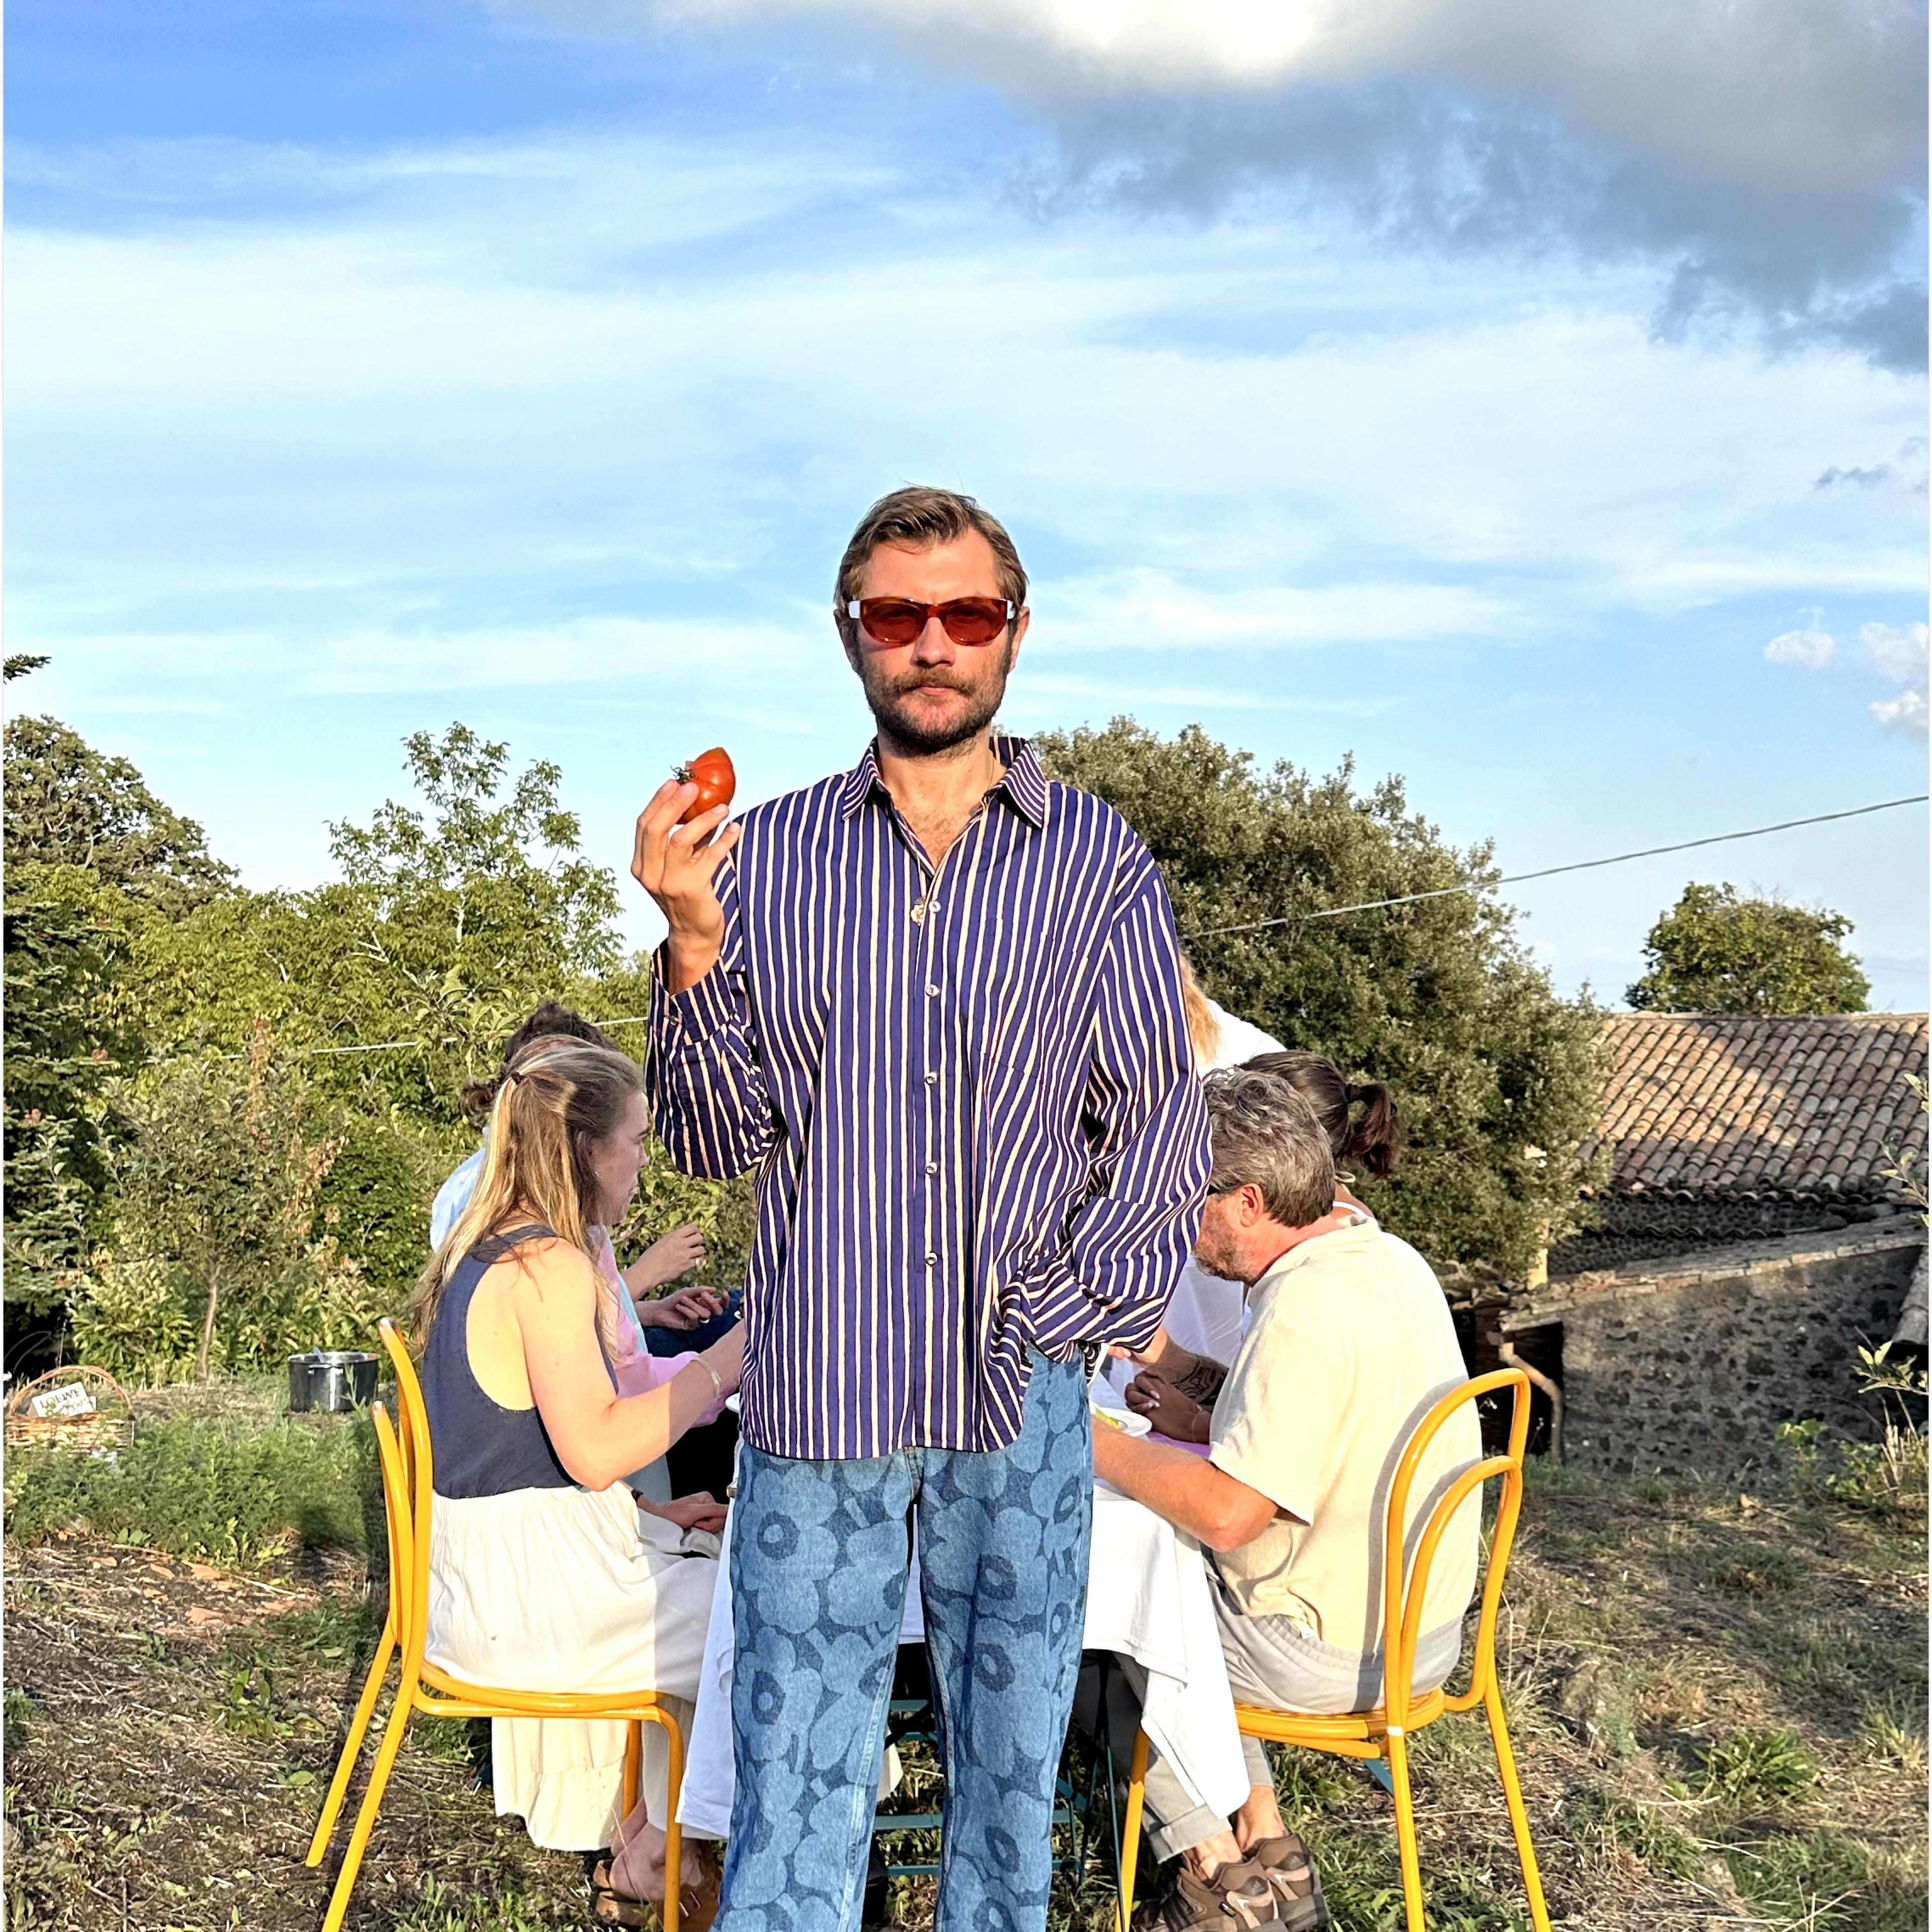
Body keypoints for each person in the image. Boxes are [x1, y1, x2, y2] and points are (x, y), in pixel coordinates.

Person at [633, 485, 1211, 1932]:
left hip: (1016, 1385)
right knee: (792, 1774)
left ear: (1017, 633)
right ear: (853, 637)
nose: (933, 644)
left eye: (967, 615)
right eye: (900, 616)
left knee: (1012, 1791)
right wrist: (692, 946)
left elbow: (1157, 1117)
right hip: (819, 1380)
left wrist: (1070, 1316)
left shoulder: (1095, 862)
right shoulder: (757, 861)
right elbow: (713, 1133)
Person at [1092, 1070, 1482, 1932]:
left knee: (1105, 1618)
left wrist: (1088, 1440)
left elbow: (1231, 1514)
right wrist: (1173, 1369)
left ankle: (1214, 1873)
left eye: (1179, 1200)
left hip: (1331, 1650)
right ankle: (1268, 1844)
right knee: (1169, 1588)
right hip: (1419, 1631)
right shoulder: (1381, 1258)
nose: (1169, 1226)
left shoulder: (1302, 1304)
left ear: (1247, 1201)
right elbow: (1309, 1412)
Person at [409, 1037, 746, 1926]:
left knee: (721, 1576)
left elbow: (524, 1455)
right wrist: (729, 1361)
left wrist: (652, 1515)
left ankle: (656, 1853)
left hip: (488, 1584)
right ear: (587, 1149)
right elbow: (596, 1449)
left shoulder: (490, 1248)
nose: (643, 1160)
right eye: (634, 1140)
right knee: (765, 1617)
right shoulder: (547, 1267)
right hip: (532, 1612)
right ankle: (705, 1866)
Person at [1121, 1050, 1409, 1447]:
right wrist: (1166, 1358)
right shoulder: (1359, 1241)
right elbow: (1271, 1399)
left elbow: (1254, 1483)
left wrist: (1190, 1426)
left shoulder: (1303, 1269)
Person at [431, 1001, 733, 1355]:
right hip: (599, 1378)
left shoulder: (502, 1188)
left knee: (727, 1320)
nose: (644, 1159)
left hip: (605, 1355)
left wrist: (648, 1311)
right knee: (740, 1336)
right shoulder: (513, 1214)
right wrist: (646, 1274)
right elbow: (545, 1329)